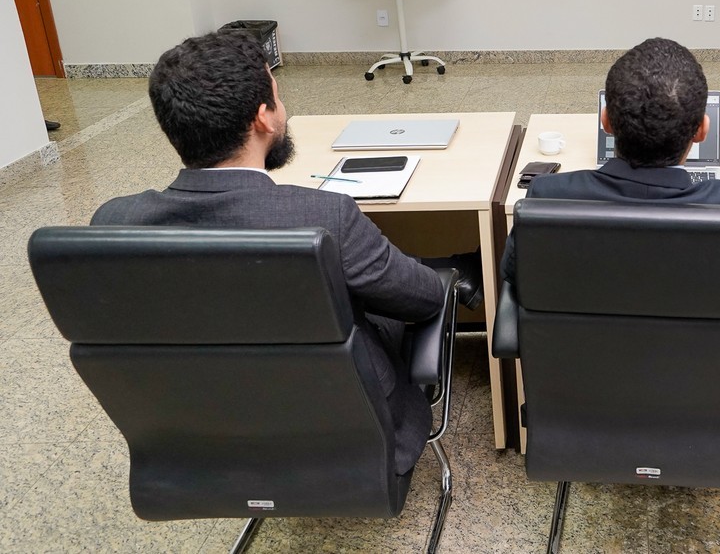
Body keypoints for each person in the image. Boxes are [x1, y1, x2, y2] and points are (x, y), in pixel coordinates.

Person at [91, 31, 482, 476]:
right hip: (352, 429)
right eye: (278, 97)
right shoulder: (321, 215)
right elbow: (422, 300)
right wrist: (442, 278)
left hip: (202, 438)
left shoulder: (112, 222)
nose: (283, 109)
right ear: (263, 119)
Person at [500, 37, 720, 306]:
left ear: (606, 122)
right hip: (701, 368)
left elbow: (514, 271)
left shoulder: (547, 198)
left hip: (578, 368)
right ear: (702, 130)